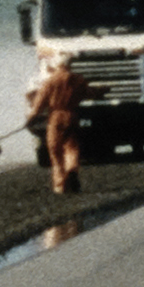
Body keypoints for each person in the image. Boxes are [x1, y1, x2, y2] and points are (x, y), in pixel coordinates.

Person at [25, 53, 86, 195]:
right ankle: (72, 170)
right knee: (72, 147)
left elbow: (40, 103)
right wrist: (102, 91)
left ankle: (60, 185)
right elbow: (88, 93)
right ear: (69, 65)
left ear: (56, 65)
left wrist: (31, 118)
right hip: (72, 116)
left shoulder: (50, 81)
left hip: (56, 117)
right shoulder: (78, 79)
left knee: (55, 150)